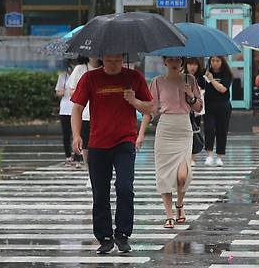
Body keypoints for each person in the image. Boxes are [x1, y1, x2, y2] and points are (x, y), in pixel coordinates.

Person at [71, 54, 152, 254]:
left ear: (123, 56)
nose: (114, 65)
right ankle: (104, 237)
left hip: (125, 142)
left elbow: (151, 107)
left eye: (117, 60)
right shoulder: (90, 78)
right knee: (100, 192)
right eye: (109, 60)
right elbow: (77, 108)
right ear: (102, 58)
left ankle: (123, 234)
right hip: (98, 143)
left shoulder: (134, 77)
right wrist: (76, 135)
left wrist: (134, 101)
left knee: (125, 187)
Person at [136, 57, 202, 229]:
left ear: (182, 61)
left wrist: (191, 95)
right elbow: (150, 110)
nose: (174, 62)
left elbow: (199, 108)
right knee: (164, 173)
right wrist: (140, 134)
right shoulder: (157, 82)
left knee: (182, 175)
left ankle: (180, 204)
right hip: (165, 128)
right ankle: (169, 214)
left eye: (177, 59)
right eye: (170, 59)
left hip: (184, 128)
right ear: (164, 61)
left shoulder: (190, 79)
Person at [66, 56, 100, 169]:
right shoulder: (80, 69)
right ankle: (90, 171)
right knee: (86, 146)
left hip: (100, 115)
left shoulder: (106, 68)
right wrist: (86, 92)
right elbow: (71, 91)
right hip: (85, 115)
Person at [203, 56, 233, 167]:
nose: (215, 63)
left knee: (222, 130)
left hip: (223, 106)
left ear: (222, 62)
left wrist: (211, 80)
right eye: (213, 61)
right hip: (209, 106)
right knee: (209, 129)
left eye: (217, 61)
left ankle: (220, 156)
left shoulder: (227, 74)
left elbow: (222, 89)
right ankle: (209, 155)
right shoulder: (206, 73)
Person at [184, 57, 206, 166]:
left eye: (195, 64)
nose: (193, 67)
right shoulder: (182, 76)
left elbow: (203, 90)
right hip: (184, 109)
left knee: (194, 130)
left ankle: (192, 156)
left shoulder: (200, 77)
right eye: (190, 64)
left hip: (196, 109)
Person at [55, 60, 76, 166]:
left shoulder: (79, 75)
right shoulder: (63, 76)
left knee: (77, 133)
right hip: (65, 109)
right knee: (66, 134)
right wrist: (62, 91)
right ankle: (68, 156)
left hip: (76, 108)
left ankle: (78, 156)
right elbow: (58, 92)